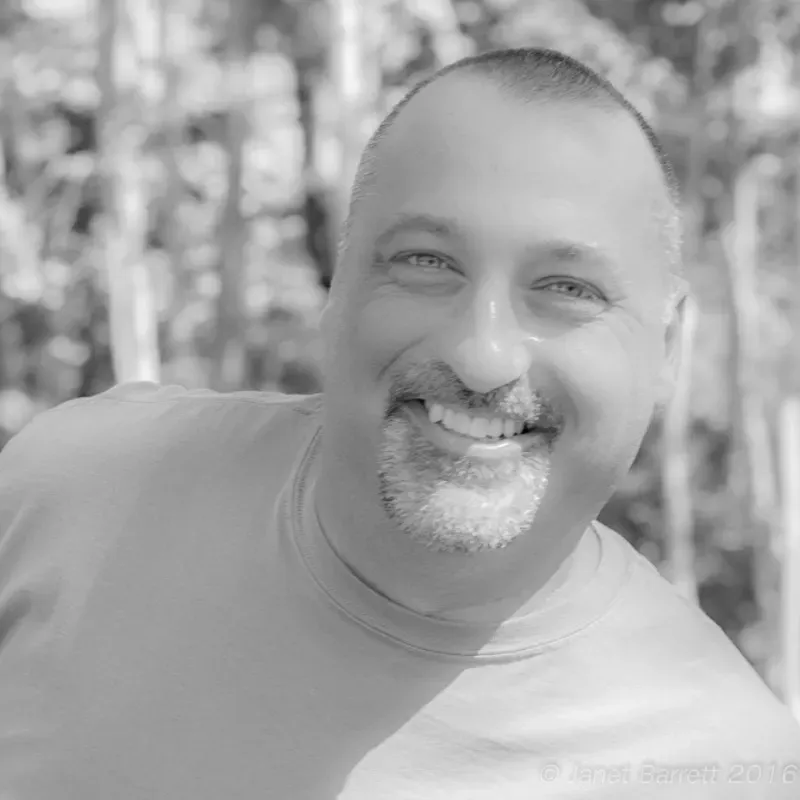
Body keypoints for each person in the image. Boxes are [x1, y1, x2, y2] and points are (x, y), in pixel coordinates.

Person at [0, 47, 798, 800]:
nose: (484, 356)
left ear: (666, 346)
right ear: (337, 285)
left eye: (567, 288)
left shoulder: (722, 768)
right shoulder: (70, 495)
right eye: (426, 262)